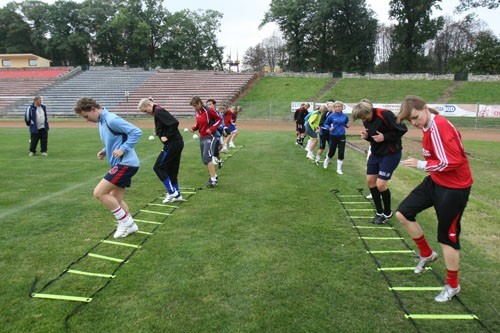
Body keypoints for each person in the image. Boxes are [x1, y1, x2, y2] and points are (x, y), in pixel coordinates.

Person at [396, 96, 473, 302]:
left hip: (454, 188)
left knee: (447, 237)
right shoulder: (428, 124)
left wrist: (421, 164)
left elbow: (453, 161)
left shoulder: (438, 126)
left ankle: (452, 285)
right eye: (410, 121)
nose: (414, 123)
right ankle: (427, 254)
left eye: (415, 117)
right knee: (404, 213)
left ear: (425, 108)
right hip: (436, 181)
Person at [73, 97, 142, 238]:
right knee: (115, 198)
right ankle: (130, 226)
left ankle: (126, 222)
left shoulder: (111, 119)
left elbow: (136, 132)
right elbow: (115, 138)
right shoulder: (101, 121)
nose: (87, 119)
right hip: (122, 164)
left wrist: (123, 149)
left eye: (86, 116)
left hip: (126, 164)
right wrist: (105, 150)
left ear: (93, 109)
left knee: (99, 193)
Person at [352, 100, 408, 224]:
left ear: (368, 111)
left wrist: (385, 137)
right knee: (370, 182)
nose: (363, 119)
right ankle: (379, 212)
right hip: (376, 153)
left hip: (391, 154)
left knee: (381, 184)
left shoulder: (385, 114)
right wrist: (367, 137)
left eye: (363, 116)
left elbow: (403, 129)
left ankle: (387, 213)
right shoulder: (366, 119)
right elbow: (374, 138)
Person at [138, 97, 184, 203]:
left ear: (148, 105)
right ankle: (178, 195)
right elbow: (167, 124)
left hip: (173, 143)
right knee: (171, 169)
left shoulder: (158, 111)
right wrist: (159, 131)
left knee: (158, 167)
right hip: (177, 143)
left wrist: (166, 136)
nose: (146, 113)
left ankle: (172, 192)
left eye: (145, 111)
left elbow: (174, 122)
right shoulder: (157, 111)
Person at [189, 96, 223, 188]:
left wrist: (212, 129)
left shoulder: (208, 111)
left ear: (200, 103)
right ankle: (214, 175)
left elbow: (219, 119)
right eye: (193, 106)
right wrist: (194, 128)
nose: (195, 107)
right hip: (202, 137)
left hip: (210, 136)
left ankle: (213, 180)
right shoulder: (197, 112)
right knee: (204, 160)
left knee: (207, 157)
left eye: (196, 105)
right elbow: (199, 123)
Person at [323, 101, 349, 174]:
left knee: (341, 152)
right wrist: (329, 128)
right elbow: (326, 124)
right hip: (333, 135)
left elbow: (346, 123)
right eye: (336, 107)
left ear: (342, 107)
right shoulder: (331, 116)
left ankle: (339, 169)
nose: (337, 108)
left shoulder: (345, 116)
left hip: (342, 135)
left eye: (339, 106)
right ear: (334, 108)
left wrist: (347, 125)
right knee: (332, 151)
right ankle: (327, 159)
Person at [315, 100, 334, 164]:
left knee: (331, 147)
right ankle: (317, 159)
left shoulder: (335, 114)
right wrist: (326, 127)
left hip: (331, 134)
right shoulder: (325, 113)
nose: (329, 107)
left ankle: (327, 159)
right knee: (322, 147)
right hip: (323, 133)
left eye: (330, 106)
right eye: (328, 106)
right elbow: (321, 123)